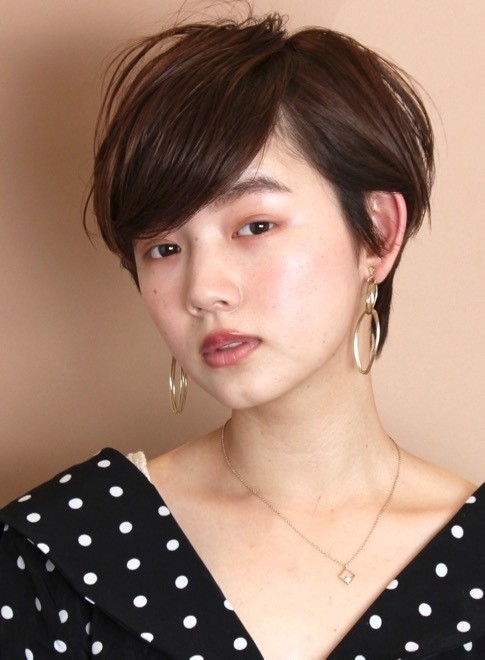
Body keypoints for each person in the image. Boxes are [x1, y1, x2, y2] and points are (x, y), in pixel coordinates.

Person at [1, 10, 483, 659]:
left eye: (254, 226)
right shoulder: (56, 550)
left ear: (377, 231)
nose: (203, 289)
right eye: (164, 248)